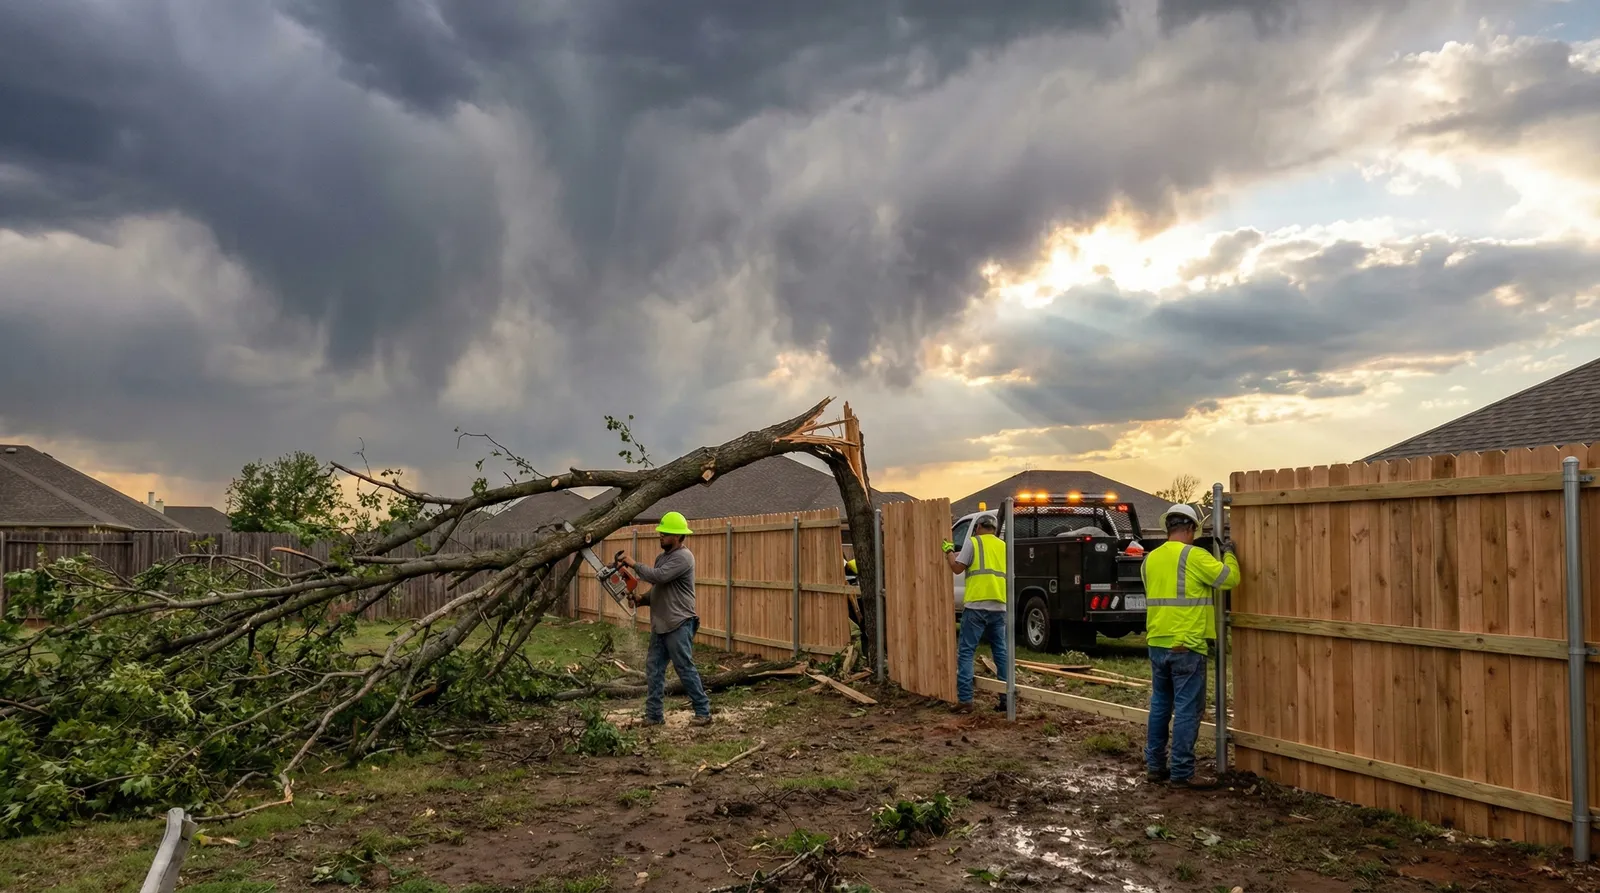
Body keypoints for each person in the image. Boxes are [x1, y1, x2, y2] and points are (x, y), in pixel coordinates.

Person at [1140, 503, 1239, 789]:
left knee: (1160, 705)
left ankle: (1155, 766)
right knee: (1186, 709)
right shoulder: (1194, 556)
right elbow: (1229, 579)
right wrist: (1230, 554)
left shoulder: (1150, 560)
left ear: (1167, 528)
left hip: (1157, 641)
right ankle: (1182, 772)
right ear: (1192, 528)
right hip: (1187, 644)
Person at [618, 511, 712, 727]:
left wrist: (633, 564)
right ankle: (654, 716)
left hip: (679, 622)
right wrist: (641, 599)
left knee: (684, 667)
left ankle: (703, 712)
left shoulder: (684, 557)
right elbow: (659, 587)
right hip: (661, 624)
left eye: (665, 533)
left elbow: (658, 576)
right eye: (660, 532)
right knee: (654, 669)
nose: (660, 535)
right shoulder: (662, 557)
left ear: (678, 537)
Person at [943, 514, 1010, 714]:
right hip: (998, 605)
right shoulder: (1003, 546)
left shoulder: (973, 543)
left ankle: (965, 700)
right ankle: (1006, 699)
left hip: (976, 606)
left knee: (966, 651)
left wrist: (948, 551)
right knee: (1001, 653)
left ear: (979, 526)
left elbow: (957, 568)